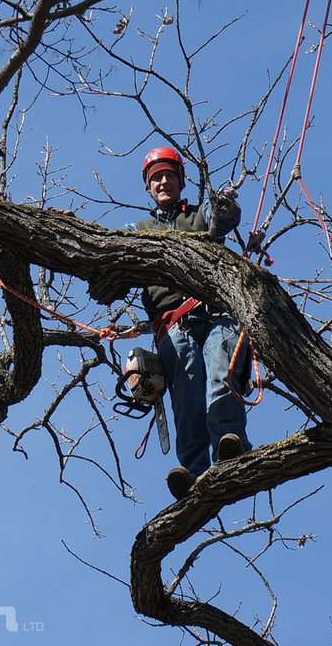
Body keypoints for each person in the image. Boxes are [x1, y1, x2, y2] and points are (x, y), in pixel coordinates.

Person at [131, 146, 252, 500]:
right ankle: (194, 470)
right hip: (173, 325)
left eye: (169, 175)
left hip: (216, 312)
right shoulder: (139, 231)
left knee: (220, 372)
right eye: (156, 178)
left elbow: (222, 218)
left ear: (181, 181)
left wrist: (224, 204)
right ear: (148, 187)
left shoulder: (199, 216)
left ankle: (230, 448)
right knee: (186, 396)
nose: (163, 182)